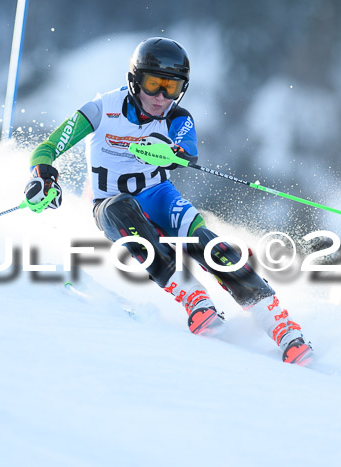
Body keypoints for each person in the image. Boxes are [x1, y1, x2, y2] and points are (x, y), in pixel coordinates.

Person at [23, 37, 313, 365]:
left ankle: (281, 326)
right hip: (109, 205)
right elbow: (46, 149)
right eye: (153, 84)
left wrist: (169, 151)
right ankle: (193, 297)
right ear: (134, 81)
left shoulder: (179, 117)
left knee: (208, 244)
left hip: (159, 196)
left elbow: (185, 151)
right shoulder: (102, 109)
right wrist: (43, 176)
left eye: (171, 88)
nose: (161, 97)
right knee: (123, 208)